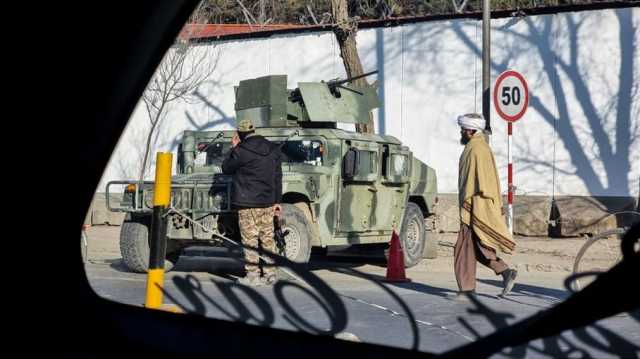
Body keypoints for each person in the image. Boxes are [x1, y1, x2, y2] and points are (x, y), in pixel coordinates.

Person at [455, 113, 518, 298]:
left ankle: (467, 290)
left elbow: (481, 182)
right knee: (478, 245)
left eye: (463, 128)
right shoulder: (479, 147)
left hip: (475, 205)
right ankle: (505, 272)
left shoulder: (476, 149)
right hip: (476, 205)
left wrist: (470, 204)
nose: (461, 131)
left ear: (470, 130)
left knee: (464, 247)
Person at [222, 119, 283, 286]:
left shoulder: (241, 150)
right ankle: (270, 274)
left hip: (247, 203)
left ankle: (253, 276)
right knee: (268, 239)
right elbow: (278, 177)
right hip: (268, 203)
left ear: (241, 134)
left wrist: (233, 148)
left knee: (250, 241)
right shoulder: (272, 149)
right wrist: (278, 201)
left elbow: (226, 168)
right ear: (254, 130)